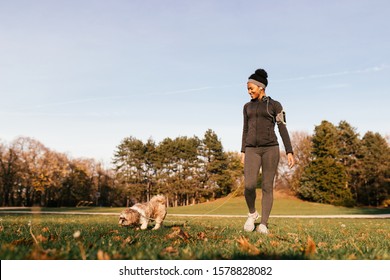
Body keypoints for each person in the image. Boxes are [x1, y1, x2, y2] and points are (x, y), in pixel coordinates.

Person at [241, 68, 295, 234]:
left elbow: (282, 128)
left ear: (261, 87)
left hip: (271, 148)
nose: (249, 91)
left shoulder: (275, 105)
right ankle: (252, 214)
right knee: (249, 185)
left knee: (266, 186)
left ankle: (263, 223)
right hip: (251, 149)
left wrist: (289, 151)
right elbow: (245, 129)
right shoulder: (247, 107)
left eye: (252, 88)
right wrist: (243, 150)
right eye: (248, 89)